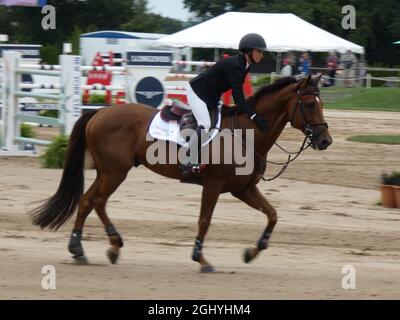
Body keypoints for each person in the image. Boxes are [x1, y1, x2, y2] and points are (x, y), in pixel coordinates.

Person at [181, 33, 268, 178]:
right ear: (249, 51)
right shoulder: (236, 66)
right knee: (206, 124)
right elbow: (238, 97)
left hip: (212, 96)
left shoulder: (245, 65)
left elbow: (239, 96)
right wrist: (253, 115)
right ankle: (188, 160)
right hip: (197, 92)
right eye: (259, 51)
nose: (261, 55)